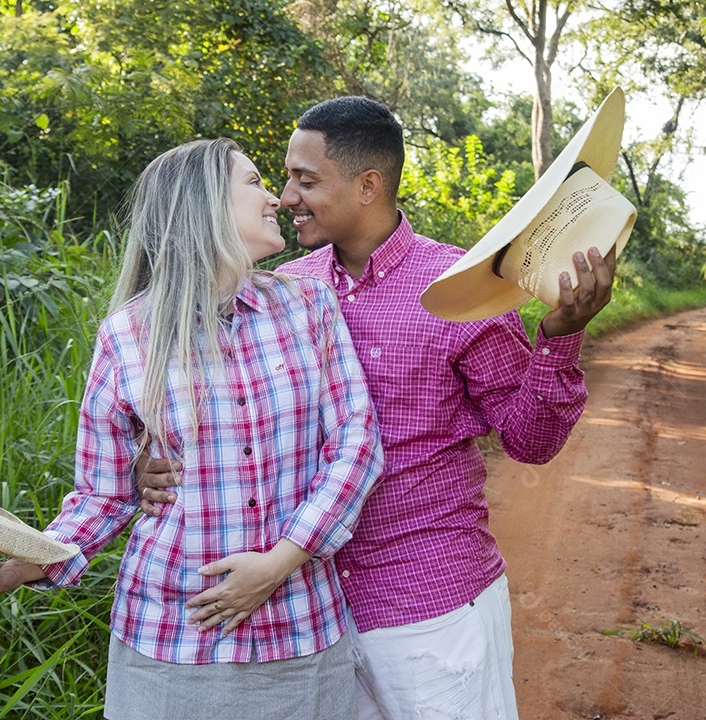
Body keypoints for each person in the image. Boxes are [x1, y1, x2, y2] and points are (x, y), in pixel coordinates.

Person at [137, 97, 616, 719]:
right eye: (284, 178)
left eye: (306, 181)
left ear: (368, 186)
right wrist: (148, 466)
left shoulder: (458, 290)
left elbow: (530, 441)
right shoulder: (285, 291)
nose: (286, 197)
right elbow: (230, 419)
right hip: (307, 614)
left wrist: (562, 336)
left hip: (430, 605)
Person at [0, 138, 384, 720]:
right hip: (168, 635)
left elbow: (357, 443)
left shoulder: (309, 307)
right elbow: (103, 493)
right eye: (253, 183)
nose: (274, 198)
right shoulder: (127, 335)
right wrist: (21, 566)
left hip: (298, 628)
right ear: (201, 206)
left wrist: (278, 562)